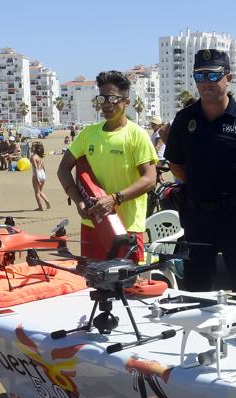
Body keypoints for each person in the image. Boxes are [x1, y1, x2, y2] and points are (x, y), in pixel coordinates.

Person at [165, 49, 236, 292]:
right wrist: (198, 184)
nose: (206, 82)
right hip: (197, 216)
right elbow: (175, 162)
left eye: (213, 75)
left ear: (228, 77)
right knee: (196, 287)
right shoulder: (185, 120)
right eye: (200, 76)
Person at [56, 70, 159, 259]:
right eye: (101, 99)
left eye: (112, 99)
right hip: (92, 223)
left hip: (126, 227)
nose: (106, 104)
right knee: (93, 281)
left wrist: (114, 198)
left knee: (128, 285)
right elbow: (63, 169)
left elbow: (150, 180)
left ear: (126, 102)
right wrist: (78, 200)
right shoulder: (88, 134)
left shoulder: (137, 135)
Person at [30, 141, 52, 211]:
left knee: (37, 192)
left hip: (37, 173)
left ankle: (40, 207)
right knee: (40, 190)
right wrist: (43, 176)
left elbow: (35, 168)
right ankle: (46, 201)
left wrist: (37, 178)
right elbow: (43, 167)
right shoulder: (40, 156)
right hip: (42, 173)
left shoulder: (33, 157)